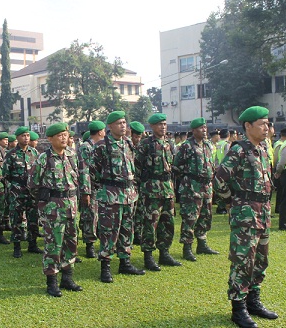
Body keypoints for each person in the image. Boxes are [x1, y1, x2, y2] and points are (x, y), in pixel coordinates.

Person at [214, 106, 278, 328]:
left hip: (263, 210)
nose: (267, 127)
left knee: (261, 259)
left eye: (268, 123)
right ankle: (238, 308)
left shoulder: (262, 149)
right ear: (248, 126)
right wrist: (231, 202)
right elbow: (219, 179)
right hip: (245, 213)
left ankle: (253, 301)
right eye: (262, 124)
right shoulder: (238, 150)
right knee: (243, 260)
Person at [28, 122, 88, 296]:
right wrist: (45, 205)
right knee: (54, 245)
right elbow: (33, 185)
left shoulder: (72, 155)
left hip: (71, 205)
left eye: (65, 134)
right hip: (53, 208)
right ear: (50, 139)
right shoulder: (43, 158)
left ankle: (67, 278)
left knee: (71, 243)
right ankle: (51, 282)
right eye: (60, 135)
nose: (64, 138)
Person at [89, 111, 145, 283]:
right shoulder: (101, 146)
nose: (123, 126)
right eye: (119, 123)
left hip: (129, 195)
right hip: (110, 195)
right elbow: (93, 171)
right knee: (108, 231)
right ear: (110, 126)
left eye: (124, 122)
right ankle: (105, 266)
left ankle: (125, 262)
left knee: (127, 229)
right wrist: (104, 189)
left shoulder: (128, 143)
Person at [135, 113, 182, 271]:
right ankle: (148, 256)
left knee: (167, 223)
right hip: (151, 190)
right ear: (153, 126)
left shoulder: (169, 143)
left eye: (164, 123)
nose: (163, 126)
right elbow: (137, 168)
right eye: (160, 124)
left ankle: (164, 253)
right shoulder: (145, 144)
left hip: (167, 189)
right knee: (150, 224)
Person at [173, 118, 219, 262]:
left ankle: (202, 244)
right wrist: (189, 178)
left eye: (205, 127)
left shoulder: (208, 145)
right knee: (190, 217)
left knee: (206, 215)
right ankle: (187, 248)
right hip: (192, 187)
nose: (204, 130)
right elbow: (176, 166)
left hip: (207, 186)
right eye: (200, 128)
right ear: (193, 131)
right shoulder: (187, 146)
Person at [3, 126, 41, 257]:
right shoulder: (11, 154)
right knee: (17, 218)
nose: (26, 138)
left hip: (32, 191)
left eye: (28, 136)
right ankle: (17, 246)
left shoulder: (34, 153)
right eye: (23, 136)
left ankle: (33, 244)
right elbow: (6, 174)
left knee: (33, 218)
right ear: (18, 138)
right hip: (17, 191)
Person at [77, 121, 105, 258]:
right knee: (90, 216)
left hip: (102, 187)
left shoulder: (101, 146)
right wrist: (86, 191)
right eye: (104, 130)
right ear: (100, 132)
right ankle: (90, 244)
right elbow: (84, 170)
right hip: (91, 187)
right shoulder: (86, 147)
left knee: (101, 216)